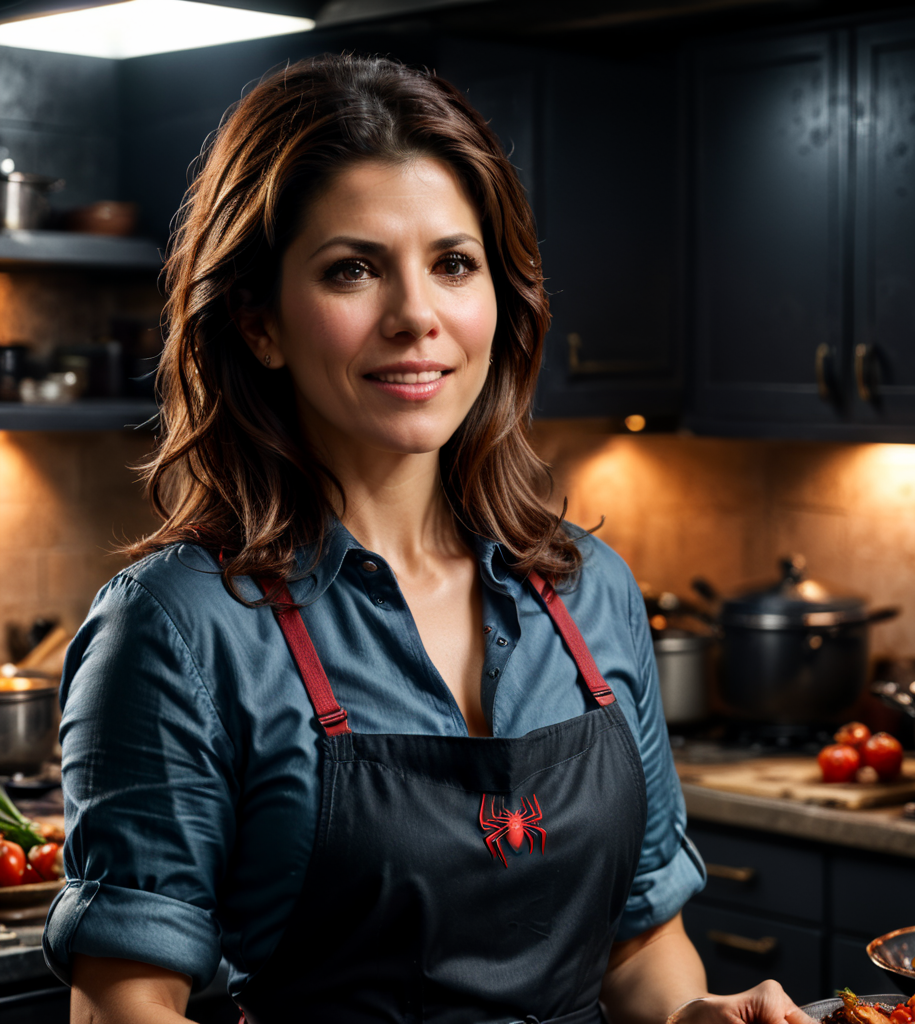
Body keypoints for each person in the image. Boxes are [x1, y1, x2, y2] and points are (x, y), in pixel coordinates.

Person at [42, 52, 814, 1024]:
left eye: (453, 264)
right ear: (258, 321)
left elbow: (641, 940)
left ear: (500, 298)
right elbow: (124, 1005)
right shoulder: (177, 627)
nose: (416, 317)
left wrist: (691, 1014)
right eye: (352, 269)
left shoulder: (589, 592)